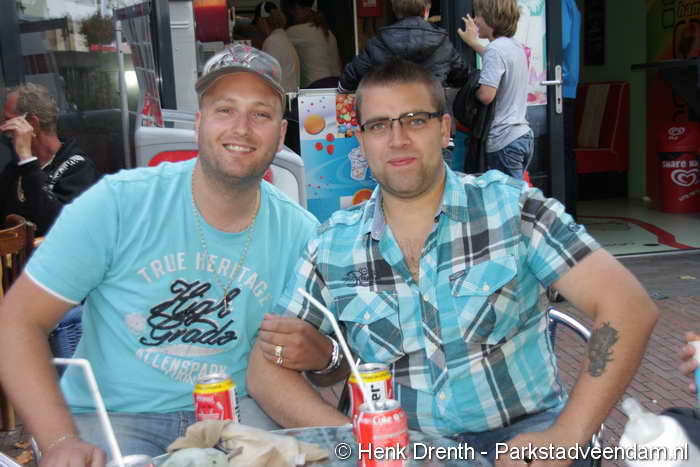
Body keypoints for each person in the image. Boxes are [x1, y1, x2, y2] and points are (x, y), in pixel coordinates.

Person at [247, 60, 659, 466]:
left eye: (415, 120)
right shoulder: (333, 245)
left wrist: (566, 436)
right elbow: (265, 372)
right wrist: (357, 440)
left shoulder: (512, 210)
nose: (397, 139)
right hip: (407, 451)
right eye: (379, 125)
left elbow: (627, 307)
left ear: (444, 130)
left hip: (522, 441)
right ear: (362, 140)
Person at [0, 44, 319, 465]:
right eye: (225, 110)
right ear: (199, 123)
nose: (241, 128)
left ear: (280, 134)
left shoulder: (300, 232)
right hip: (115, 415)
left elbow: (298, 359)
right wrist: (59, 441)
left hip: (238, 408)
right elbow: (17, 321)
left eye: (260, 114)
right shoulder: (119, 204)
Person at [0, 83, 100, 236]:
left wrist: (27, 160)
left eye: (8, 120)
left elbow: (57, 226)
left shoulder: (79, 168)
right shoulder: (14, 169)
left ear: (31, 123)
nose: (2, 127)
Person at [457, 0, 533, 179]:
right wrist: (473, 43)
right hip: (521, 135)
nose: (475, 20)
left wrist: (470, 91)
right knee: (516, 191)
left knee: (509, 194)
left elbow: (486, 96)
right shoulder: (514, 46)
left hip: (503, 139)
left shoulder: (495, 50)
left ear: (491, 18)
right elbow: (497, 60)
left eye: (479, 15)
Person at [337, 0, 469, 93]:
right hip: (431, 115)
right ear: (426, 11)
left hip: (391, 116)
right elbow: (462, 77)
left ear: (395, 11)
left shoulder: (377, 43)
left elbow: (347, 82)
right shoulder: (443, 42)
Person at [284, 0, 342, 88]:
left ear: (300, 8)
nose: (292, 14)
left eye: (294, 10)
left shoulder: (296, 31)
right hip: (337, 85)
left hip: (317, 86)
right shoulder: (329, 33)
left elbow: (275, 40)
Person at [562, 0, 581, 219]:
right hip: (563, 88)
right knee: (564, 154)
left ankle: (566, 217)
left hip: (560, 89)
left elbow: (560, 40)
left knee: (561, 156)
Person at [255, 1, 301, 93]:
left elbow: (267, 77)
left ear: (261, 21)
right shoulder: (283, 38)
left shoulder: (272, 41)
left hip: (281, 96)